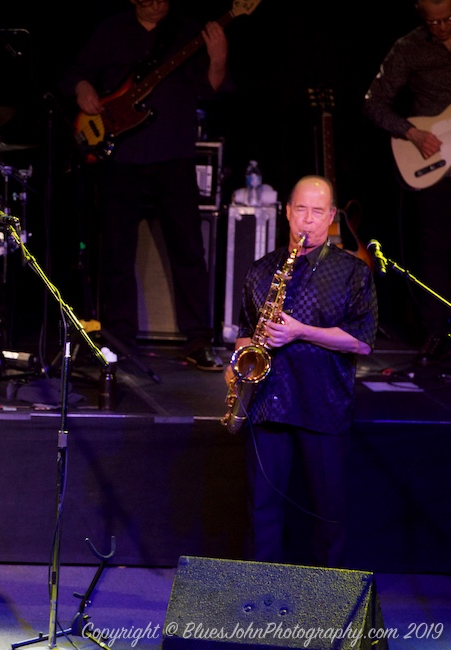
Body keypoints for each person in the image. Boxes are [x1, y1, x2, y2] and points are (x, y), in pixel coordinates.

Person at [59, 0, 231, 371]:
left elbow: (210, 88)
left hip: (173, 155)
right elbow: (75, 73)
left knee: (188, 251)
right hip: (119, 158)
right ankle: (119, 340)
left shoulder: (187, 30)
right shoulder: (112, 29)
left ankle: (198, 340)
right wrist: (83, 89)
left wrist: (217, 56)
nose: (157, 3)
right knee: (117, 255)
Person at [227, 175, 378, 568]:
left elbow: (362, 341)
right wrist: (238, 367)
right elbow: (245, 333)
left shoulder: (353, 272)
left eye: (317, 212)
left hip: (323, 404)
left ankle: (326, 604)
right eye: (300, 210)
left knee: (328, 514)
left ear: (330, 217)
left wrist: (300, 331)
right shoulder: (261, 270)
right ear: (287, 212)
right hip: (268, 405)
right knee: (262, 511)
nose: (307, 221)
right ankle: (258, 599)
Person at [363, 0, 451, 365]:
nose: (441, 28)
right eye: (433, 22)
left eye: (447, 19)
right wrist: (411, 132)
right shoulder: (409, 47)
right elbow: (373, 102)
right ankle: (438, 332)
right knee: (434, 251)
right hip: (433, 159)